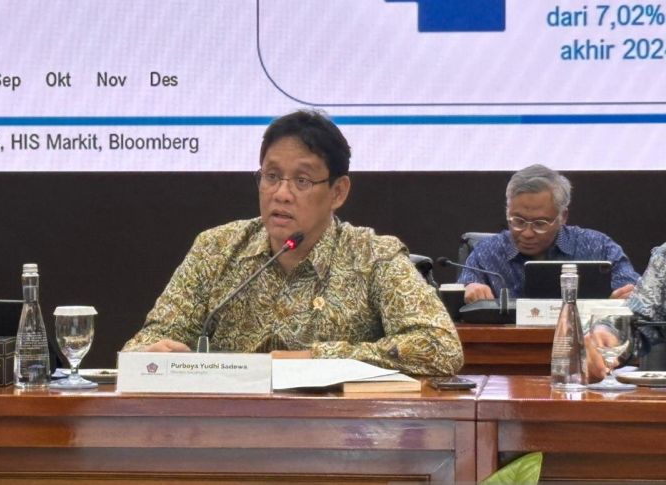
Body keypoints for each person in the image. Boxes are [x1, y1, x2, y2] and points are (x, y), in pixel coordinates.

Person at [122, 110, 463, 375]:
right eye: (271, 176)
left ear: (338, 192)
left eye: (302, 180)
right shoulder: (216, 249)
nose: (281, 194)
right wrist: (151, 355)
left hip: (338, 433)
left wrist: (314, 358)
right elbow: (147, 342)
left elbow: (440, 347)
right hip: (229, 430)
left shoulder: (374, 256)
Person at [458, 164, 639, 304]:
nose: (527, 233)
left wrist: (624, 299)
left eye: (540, 224)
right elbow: (460, 296)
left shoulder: (598, 247)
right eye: (518, 221)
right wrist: (468, 291)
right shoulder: (487, 253)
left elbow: (634, 293)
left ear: (563, 216)